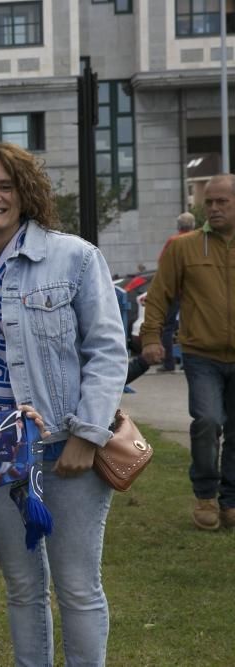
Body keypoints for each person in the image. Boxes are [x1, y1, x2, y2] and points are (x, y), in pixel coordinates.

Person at [0, 143, 127, 666]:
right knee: (22, 587)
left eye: (4, 186)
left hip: (63, 452)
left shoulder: (75, 256)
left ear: (26, 194)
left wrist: (88, 435)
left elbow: (109, 350)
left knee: (76, 587)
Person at [141, 174, 235, 531]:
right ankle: (206, 495)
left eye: (221, 201)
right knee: (208, 421)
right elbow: (160, 294)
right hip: (201, 354)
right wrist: (152, 338)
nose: (212, 207)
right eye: (208, 202)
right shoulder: (185, 247)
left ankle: (231, 501)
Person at [156, 211, 196, 372]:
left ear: (178, 225)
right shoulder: (199, 241)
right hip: (193, 291)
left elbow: (162, 263)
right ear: (193, 225)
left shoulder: (174, 241)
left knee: (168, 327)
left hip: (174, 291)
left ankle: (168, 363)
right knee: (191, 327)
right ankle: (188, 363)